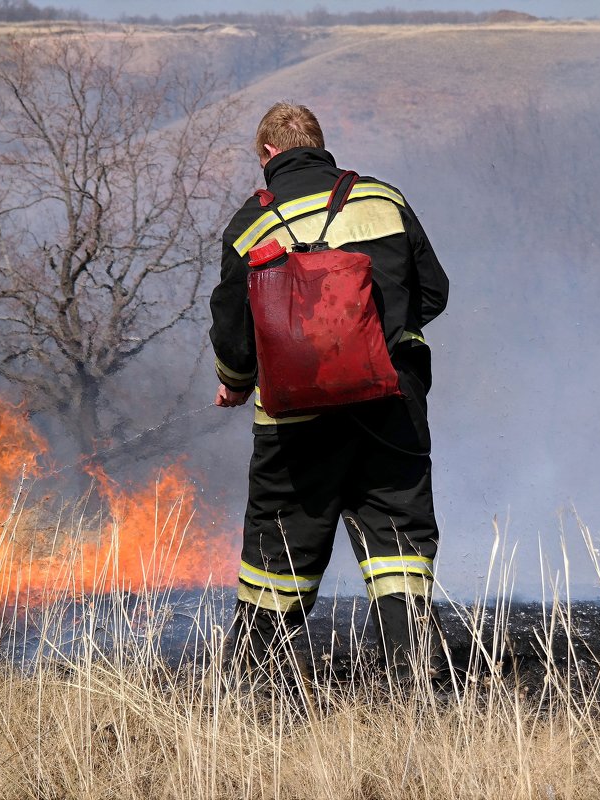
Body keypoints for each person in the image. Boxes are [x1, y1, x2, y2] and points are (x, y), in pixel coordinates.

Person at [208, 102, 450, 687]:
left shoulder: (250, 223)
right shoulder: (382, 200)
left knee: (278, 551)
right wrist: (380, 343)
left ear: (268, 154)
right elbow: (435, 292)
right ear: (319, 143)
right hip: (390, 408)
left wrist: (237, 384)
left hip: (296, 421)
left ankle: (257, 691)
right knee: (399, 545)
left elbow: (234, 330)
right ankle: (412, 684)